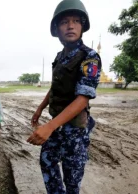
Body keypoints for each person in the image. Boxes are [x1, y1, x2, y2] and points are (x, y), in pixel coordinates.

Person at [27, 0, 102, 193]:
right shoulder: (60, 57)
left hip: (76, 131)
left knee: (72, 179)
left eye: (76, 21)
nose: (70, 26)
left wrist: (48, 127)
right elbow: (55, 87)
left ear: (82, 26)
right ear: (57, 29)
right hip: (58, 125)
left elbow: (83, 99)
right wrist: (40, 108)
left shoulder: (89, 56)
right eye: (64, 22)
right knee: (47, 160)